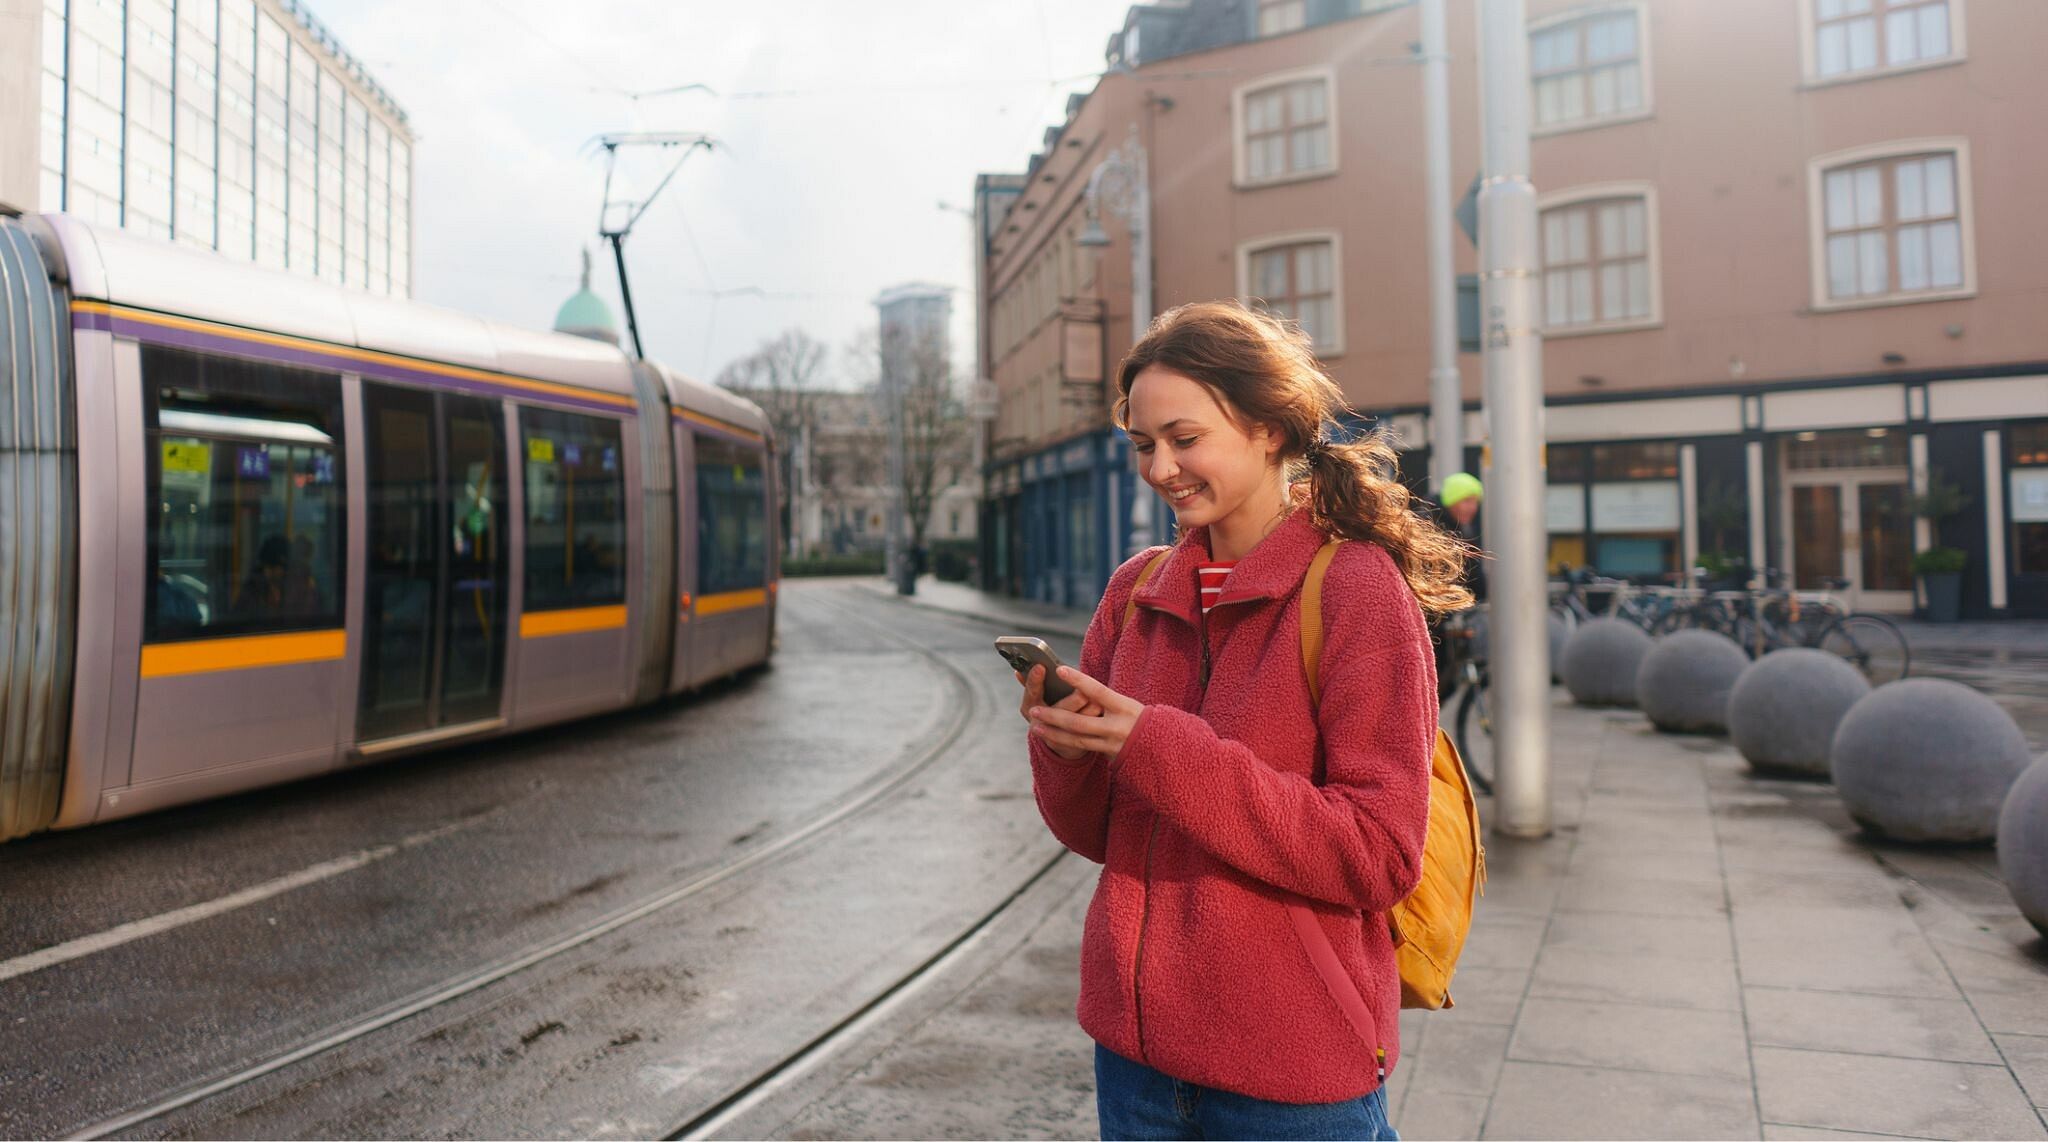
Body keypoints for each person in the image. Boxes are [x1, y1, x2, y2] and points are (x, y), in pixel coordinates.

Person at [1016, 301, 1472, 1141]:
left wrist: (1157, 747)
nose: (1160, 469)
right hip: (1137, 1063)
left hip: (1290, 1075)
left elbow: (1377, 855)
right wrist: (1069, 750)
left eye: (1184, 440)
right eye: (1143, 445)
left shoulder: (1355, 591)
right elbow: (1096, 834)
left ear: (1268, 429)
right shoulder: (1136, 591)